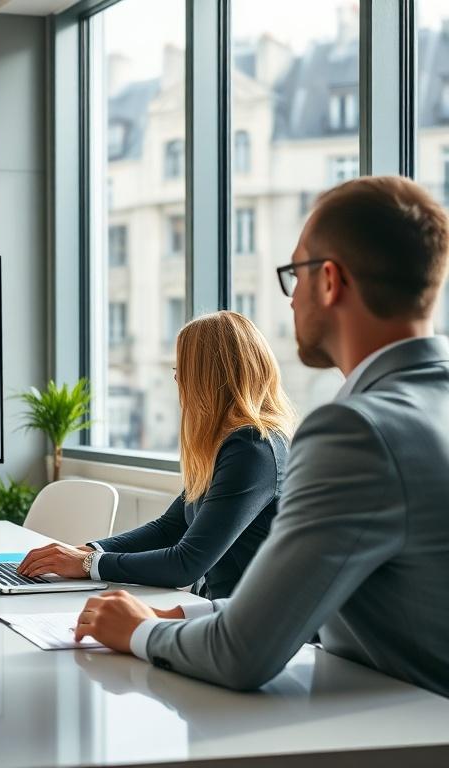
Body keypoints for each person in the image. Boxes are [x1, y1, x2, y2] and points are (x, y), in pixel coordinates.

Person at [74, 176, 449, 699]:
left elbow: (241, 655)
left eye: (294, 274)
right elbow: (313, 603)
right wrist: (187, 610)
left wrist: (138, 631)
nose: (291, 300)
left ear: (329, 281)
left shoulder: (354, 432)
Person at [19, 311, 295, 600]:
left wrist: (88, 565)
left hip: (240, 624)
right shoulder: (229, 444)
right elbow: (169, 528)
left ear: (209, 375)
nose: (176, 377)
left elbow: (185, 564)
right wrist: (88, 552)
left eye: (183, 367)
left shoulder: (252, 448)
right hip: (216, 611)